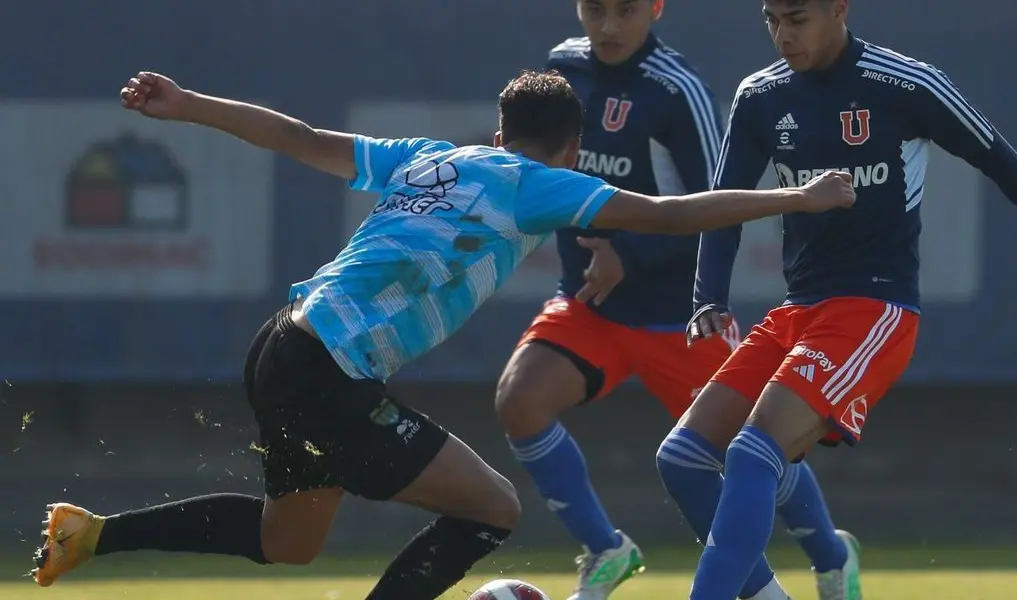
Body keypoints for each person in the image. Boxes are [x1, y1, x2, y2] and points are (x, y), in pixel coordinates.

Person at [30, 69, 855, 599]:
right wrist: (797, 200)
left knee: (290, 542)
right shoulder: (540, 183)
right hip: (329, 367)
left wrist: (192, 104)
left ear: (499, 132)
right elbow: (669, 214)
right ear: (574, 150)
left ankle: (94, 533)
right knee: (491, 508)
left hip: (284, 342)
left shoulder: (428, 158)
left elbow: (300, 138)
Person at [672, 1, 1017, 599]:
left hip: (873, 309)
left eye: (798, 18)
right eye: (772, 19)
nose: (783, 35)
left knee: (756, 455)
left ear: (839, 8)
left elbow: (1001, 162)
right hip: (797, 310)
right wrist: (710, 296)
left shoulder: (906, 83)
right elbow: (725, 203)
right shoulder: (759, 96)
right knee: (682, 458)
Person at [494, 2, 859, 600]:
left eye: (626, 10)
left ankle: (830, 555)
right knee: (520, 400)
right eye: (595, 9)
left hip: (676, 316)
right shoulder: (562, 69)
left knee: (762, 445)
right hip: (590, 305)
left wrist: (627, 256)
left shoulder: (677, 89)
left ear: (656, 7)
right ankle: (607, 549)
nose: (608, 26)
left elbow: (713, 205)